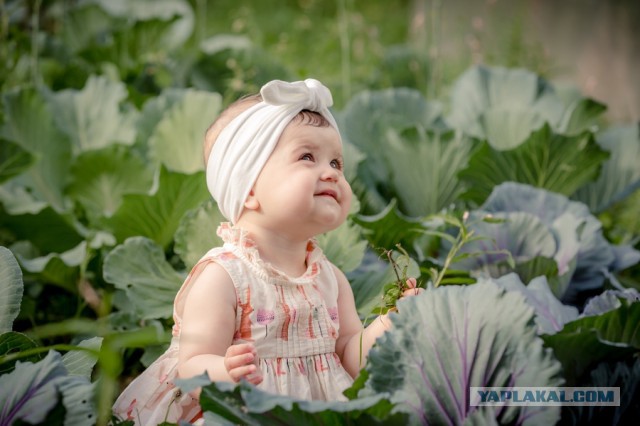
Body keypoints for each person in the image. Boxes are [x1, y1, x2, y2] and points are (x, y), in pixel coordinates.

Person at [112, 79, 422, 424]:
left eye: (336, 163)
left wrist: (387, 324)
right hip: (239, 414)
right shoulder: (225, 277)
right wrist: (223, 373)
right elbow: (192, 365)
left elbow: (350, 356)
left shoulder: (330, 279)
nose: (331, 174)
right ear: (249, 190)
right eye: (308, 157)